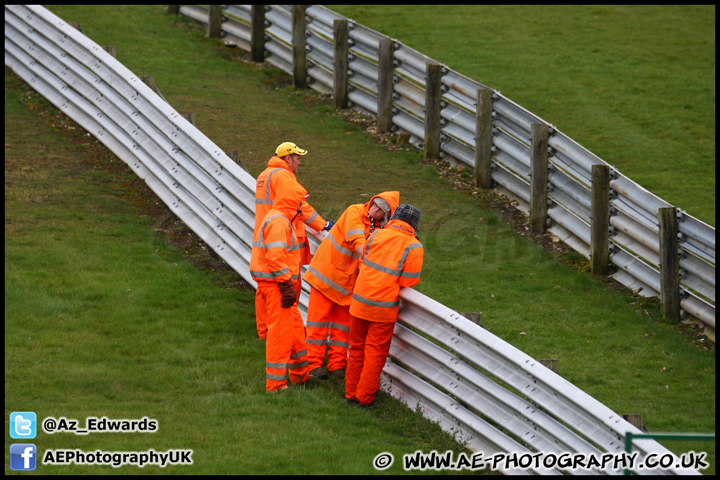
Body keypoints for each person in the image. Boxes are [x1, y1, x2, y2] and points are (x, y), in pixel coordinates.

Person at [302, 192, 400, 381]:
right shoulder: (354, 211)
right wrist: (370, 254)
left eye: (381, 210)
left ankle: (337, 364)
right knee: (318, 323)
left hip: (349, 285)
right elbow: (355, 238)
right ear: (371, 201)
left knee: (343, 327)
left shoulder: (383, 229)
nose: (375, 209)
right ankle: (313, 363)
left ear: (386, 216)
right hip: (326, 277)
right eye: (375, 205)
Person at [345, 204, 424, 408]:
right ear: (415, 224)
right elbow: (408, 281)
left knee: (355, 349)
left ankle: (350, 393)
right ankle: (365, 398)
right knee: (374, 353)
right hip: (384, 308)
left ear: (394, 217)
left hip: (359, 301)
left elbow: (364, 261)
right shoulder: (414, 246)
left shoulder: (377, 234)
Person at [253, 142, 333, 339]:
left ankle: (264, 331)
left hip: (265, 234)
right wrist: (322, 225)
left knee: (265, 286)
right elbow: (300, 206)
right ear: (287, 159)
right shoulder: (283, 176)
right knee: (289, 283)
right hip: (284, 236)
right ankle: (285, 327)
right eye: (297, 159)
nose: (299, 164)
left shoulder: (265, 174)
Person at [249, 181, 312, 392]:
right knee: (280, 336)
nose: (302, 207)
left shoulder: (279, 218)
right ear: (292, 202)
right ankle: (275, 385)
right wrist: (286, 285)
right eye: (300, 202)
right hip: (277, 286)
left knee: (294, 330)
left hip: (277, 285)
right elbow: (275, 258)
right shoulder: (279, 222)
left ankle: (300, 376)